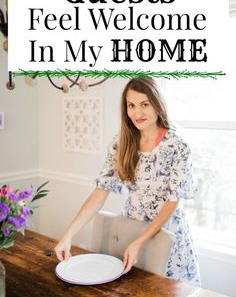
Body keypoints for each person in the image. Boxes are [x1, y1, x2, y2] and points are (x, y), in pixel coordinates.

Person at [55, 77, 201, 286]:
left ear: (157, 104)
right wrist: (68, 234)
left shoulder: (177, 146)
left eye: (144, 104)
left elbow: (172, 203)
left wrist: (139, 243)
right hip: (131, 230)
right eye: (131, 105)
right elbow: (100, 192)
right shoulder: (121, 143)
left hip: (166, 236)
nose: (137, 113)